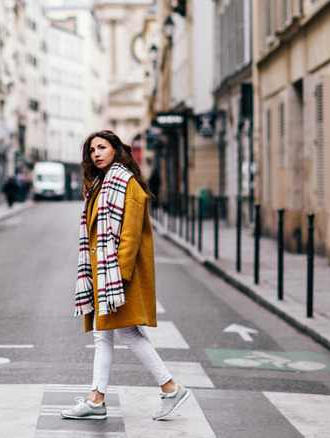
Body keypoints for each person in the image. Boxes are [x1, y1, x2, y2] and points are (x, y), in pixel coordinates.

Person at [61, 130, 190, 421]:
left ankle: (170, 388)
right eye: (92, 149)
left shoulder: (125, 183)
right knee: (103, 334)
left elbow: (129, 236)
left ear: (115, 150)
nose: (96, 153)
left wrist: (117, 276)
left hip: (118, 276)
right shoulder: (100, 184)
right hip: (106, 274)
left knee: (127, 333)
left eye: (102, 147)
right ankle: (97, 399)